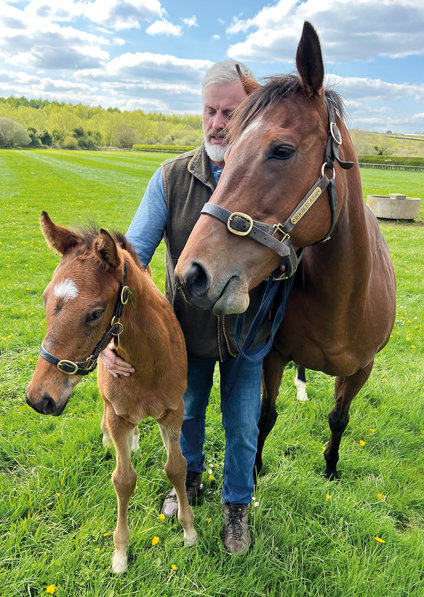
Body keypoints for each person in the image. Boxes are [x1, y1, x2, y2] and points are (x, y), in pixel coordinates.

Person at [100, 60, 274, 555]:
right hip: (186, 333)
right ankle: (189, 479)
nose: (218, 123)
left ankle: (237, 507)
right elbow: (127, 259)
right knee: (189, 411)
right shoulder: (171, 177)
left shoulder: (266, 177)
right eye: (210, 111)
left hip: (248, 332)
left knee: (242, 426)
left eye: (230, 113)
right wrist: (110, 338)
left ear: (249, 117)